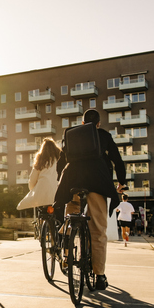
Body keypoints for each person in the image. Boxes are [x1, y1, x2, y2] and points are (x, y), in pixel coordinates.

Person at [54, 109, 126, 290]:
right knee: (98, 230)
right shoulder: (103, 135)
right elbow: (117, 160)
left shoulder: (73, 134)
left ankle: (66, 255)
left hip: (72, 181)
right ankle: (99, 275)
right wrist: (121, 183)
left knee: (70, 217)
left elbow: (61, 162)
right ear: (98, 123)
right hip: (97, 182)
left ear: (83, 123)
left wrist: (60, 181)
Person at [17, 138, 62, 213]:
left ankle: (42, 223)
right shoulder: (60, 160)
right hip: (58, 193)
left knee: (42, 213)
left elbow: (32, 181)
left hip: (42, 194)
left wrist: (34, 190)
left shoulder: (40, 161)